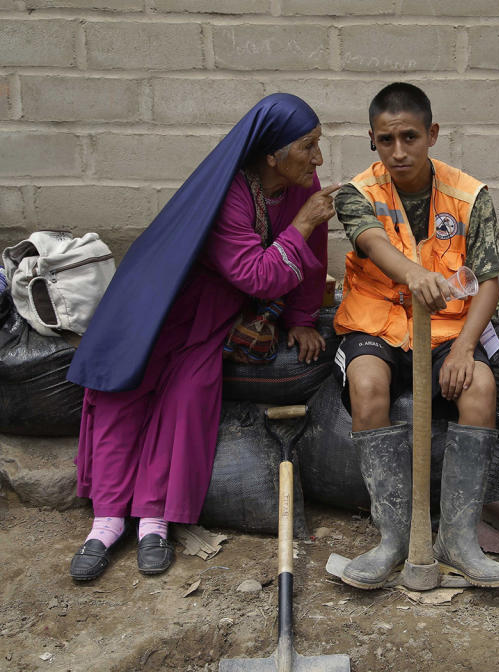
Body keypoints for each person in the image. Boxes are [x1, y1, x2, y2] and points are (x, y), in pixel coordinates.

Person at [66, 94, 339, 580]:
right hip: (158, 304)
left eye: (318, 145)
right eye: (309, 146)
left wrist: (299, 317)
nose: (318, 158)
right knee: (124, 395)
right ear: (273, 154)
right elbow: (257, 275)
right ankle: (106, 522)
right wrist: (301, 224)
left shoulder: (303, 185)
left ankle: (153, 520)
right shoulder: (229, 194)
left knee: (188, 398)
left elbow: (313, 253)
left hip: (212, 315)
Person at [332, 82, 499, 589]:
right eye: (385, 140)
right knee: (367, 383)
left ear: (431, 134)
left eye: (409, 137)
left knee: (479, 386)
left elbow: (489, 276)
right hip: (375, 325)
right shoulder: (356, 193)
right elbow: (370, 241)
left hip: (444, 331)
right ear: (372, 140)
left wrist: (464, 346)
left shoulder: (469, 195)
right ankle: (393, 538)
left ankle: (457, 539)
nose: (398, 152)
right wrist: (412, 273)